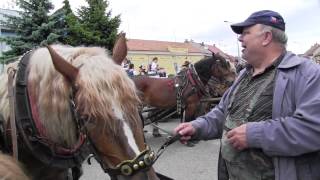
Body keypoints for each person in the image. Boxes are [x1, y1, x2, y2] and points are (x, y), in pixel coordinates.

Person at [174, 10, 320, 180]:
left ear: (266, 37)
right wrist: (197, 126)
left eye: (246, 33)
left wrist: (255, 135)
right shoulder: (244, 75)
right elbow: (222, 114)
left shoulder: (307, 73)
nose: (240, 39)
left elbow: (313, 128)